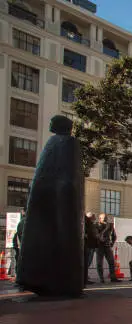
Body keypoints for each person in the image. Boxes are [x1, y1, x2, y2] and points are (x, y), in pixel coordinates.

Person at [15, 116, 84, 297]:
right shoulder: (56, 142)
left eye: (53, 122)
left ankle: (57, 281)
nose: (49, 124)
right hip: (48, 195)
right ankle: (37, 279)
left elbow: (69, 176)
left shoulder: (67, 143)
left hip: (58, 196)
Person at [96, 213, 120, 284]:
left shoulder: (110, 225)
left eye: (106, 217)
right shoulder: (96, 225)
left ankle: (113, 278)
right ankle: (101, 278)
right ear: (100, 219)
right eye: (104, 218)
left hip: (107, 246)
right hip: (99, 247)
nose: (106, 219)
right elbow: (96, 235)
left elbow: (114, 236)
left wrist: (112, 243)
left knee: (111, 262)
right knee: (99, 263)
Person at [83, 212, 98, 285]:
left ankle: (85, 277)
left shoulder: (91, 224)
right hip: (88, 245)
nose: (95, 218)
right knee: (87, 262)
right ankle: (84, 278)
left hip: (91, 245)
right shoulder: (87, 224)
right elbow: (90, 234)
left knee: (88, 262)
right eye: (94, 216)